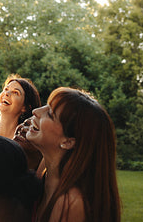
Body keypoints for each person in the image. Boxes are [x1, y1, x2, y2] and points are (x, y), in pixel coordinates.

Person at [27, 87, 121, 222]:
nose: (36, 111)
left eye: (50, 114)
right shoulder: (45, 171)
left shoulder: (70, 203)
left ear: (68, 142)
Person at [0, 74, 41, 139]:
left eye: (15, 92)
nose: (6, 93)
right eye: (6, 89)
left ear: (25, 107)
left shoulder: (24, 141)